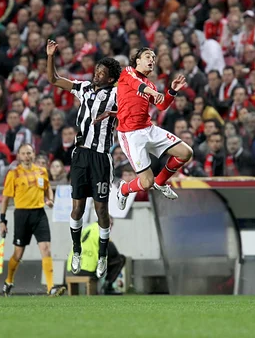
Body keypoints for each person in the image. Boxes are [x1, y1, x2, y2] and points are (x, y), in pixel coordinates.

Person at [46, 39, 121, 279]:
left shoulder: (116, 95)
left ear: (110, 78)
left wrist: (115, 113)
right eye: (97, 70)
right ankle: (76, 250)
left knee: (101, 210)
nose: (97, 74)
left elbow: (132, 109)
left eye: (102, 72)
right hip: (79, 155)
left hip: (100, 157)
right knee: (77, 208)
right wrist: (50, 56)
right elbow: (54, 79)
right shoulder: (84, 88)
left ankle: (102, 255)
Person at [115, 47, 193, 208]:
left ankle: (161, 182)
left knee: (186, 153)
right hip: (130, 134)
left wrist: (172, 91)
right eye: (148, 56)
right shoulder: (128, 72)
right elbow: (137, 85)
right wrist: (153, 91)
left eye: (154, 57)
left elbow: (162, 105)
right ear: (138, 60)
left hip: (149, 128)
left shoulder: (150, 84)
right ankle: (123, 189)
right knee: (146, 182)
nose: (152, 59)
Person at [0, 144, 64, 296]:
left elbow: (48, 188)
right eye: (23, 153)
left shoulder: (41, 171)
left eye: (29, 153)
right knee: (18, 253)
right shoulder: (14, 174)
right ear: (19, 156)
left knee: (46, 248)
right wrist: (2, 220)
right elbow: (5, 199)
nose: (27, 156)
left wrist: (50, 199)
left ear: (33, 154)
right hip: (22, 215)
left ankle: (51, 287)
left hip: (39, 214)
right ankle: (8, 280)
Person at [66, 218, 126, 295]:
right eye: (111, 224)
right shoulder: (102, 231)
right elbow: (114, 252)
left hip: (73, 267)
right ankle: (108, 286)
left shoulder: (88, 229)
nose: (111, 227)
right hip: (89, 269)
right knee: (120, 259)